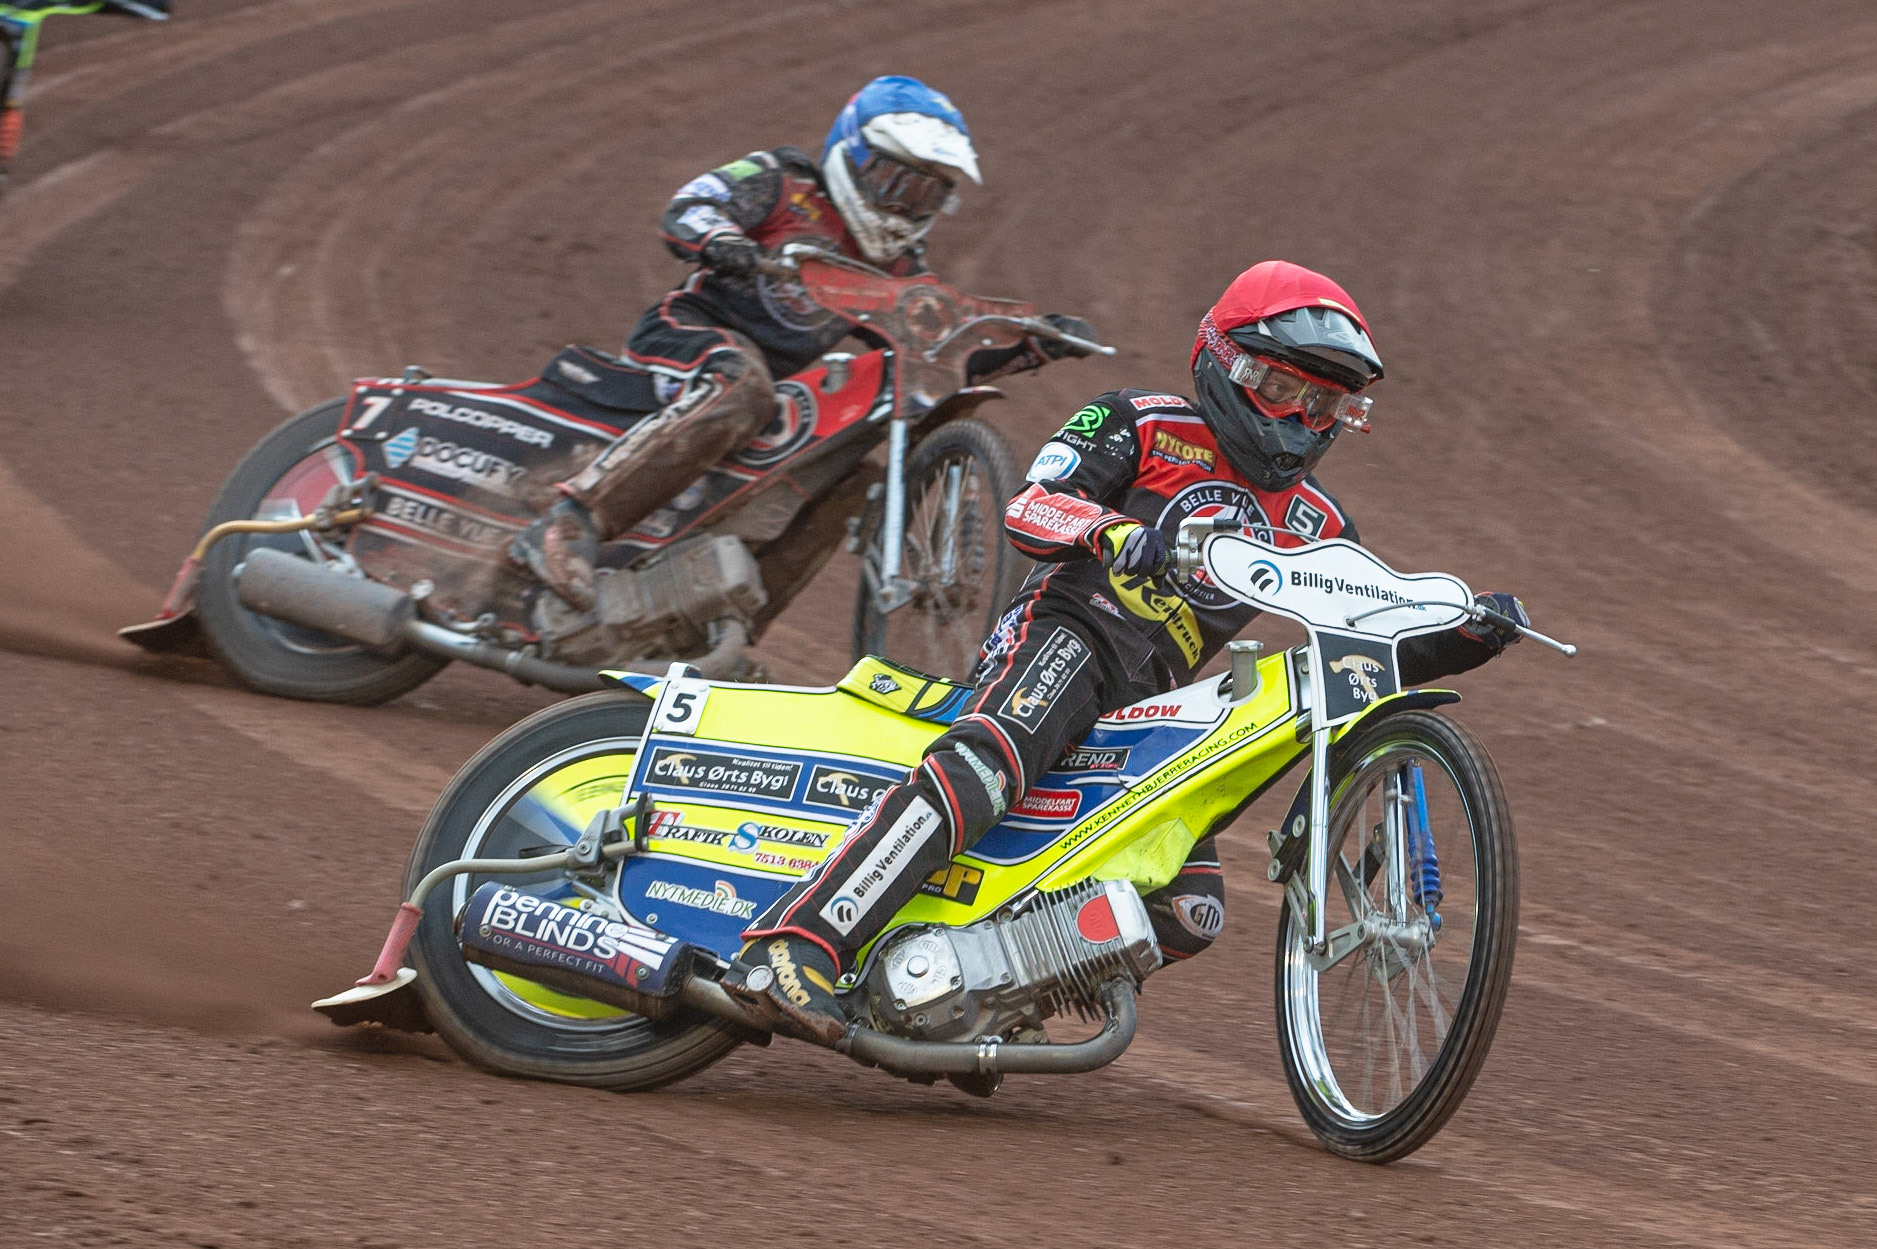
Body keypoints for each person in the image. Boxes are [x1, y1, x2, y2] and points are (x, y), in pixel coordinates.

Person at [731, 259, 1531, 1045]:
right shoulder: (1142, 420)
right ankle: (795, 944)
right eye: (1281, 390)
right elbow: (1030, 504)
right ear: (1224, 362)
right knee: (987, 764)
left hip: (1154, 704)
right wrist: (1110, 531)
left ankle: (970, 992)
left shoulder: (1321, 523)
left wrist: (1461, 638)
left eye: (1322, 403)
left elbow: (1359, 647)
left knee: (1189, 909)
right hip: (1069, 633)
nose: (1296, 419)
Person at [509, 74, 1090, 611]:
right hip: (689, 335)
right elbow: (691, 205)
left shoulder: (895, 263)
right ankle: (568, 525)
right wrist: (724, 242)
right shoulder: (785, 182)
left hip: (768, 388)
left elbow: (936, 341)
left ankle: (725, 628)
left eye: (925, 197)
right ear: (854, 157)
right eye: (896, 183)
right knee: (740, 383)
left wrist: (1034, 343)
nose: (904, 207)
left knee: (849, 479)